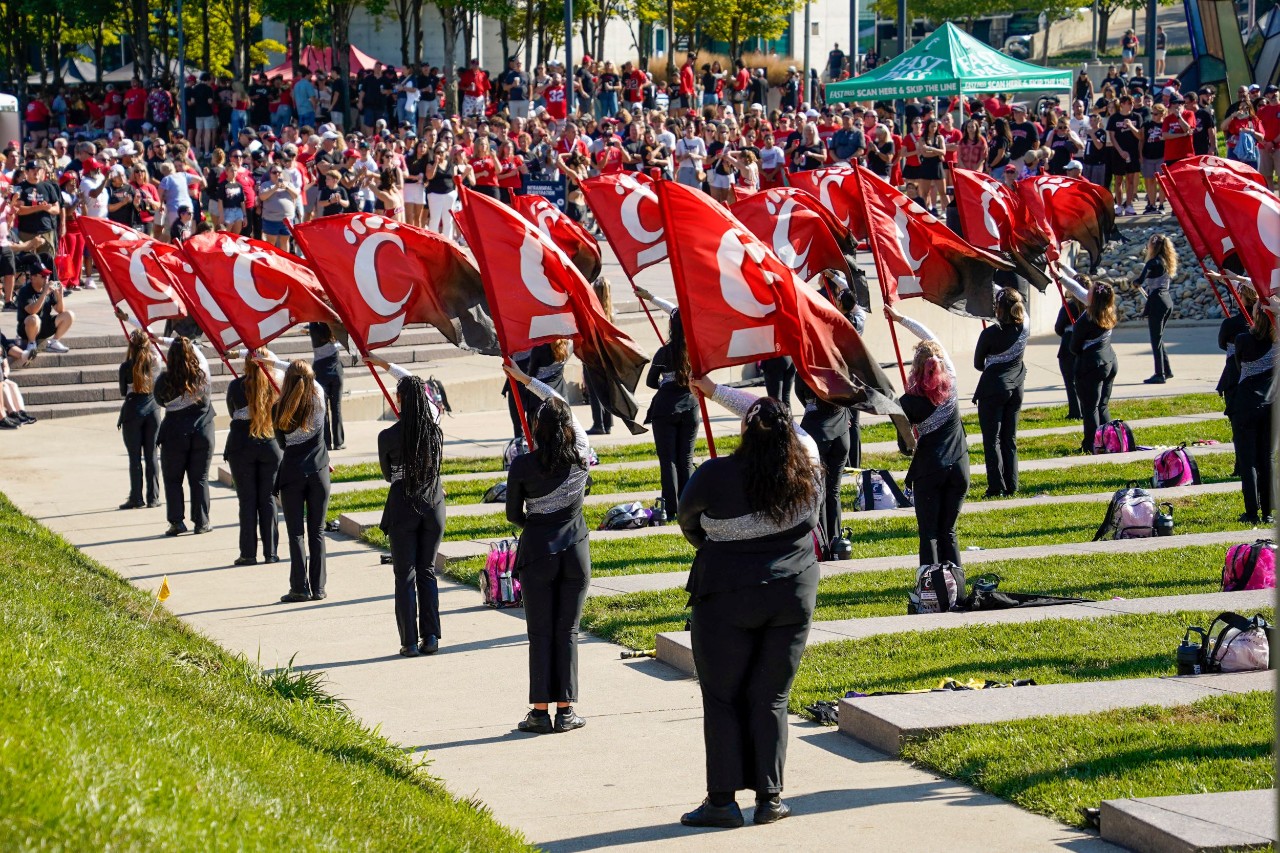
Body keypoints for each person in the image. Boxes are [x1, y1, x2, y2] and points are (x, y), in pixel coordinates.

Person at [677, 377, 821, 829]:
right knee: (771, 697)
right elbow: (783, 426)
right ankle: (770, 799)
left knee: (721, 697)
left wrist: (717, 542)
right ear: (790, 433)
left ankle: (721, 802)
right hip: (792, 592)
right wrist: (715, 388)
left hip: (725, 592)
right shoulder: (809, 466)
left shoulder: (714, 474)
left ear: (744, 430)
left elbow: (689, 522)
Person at [502, 359, 592, 736]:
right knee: (567, 631)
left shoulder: (521, 465)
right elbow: (561, 405)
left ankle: (539, 711)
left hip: (537, 551)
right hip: (575, 551)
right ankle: (566, 710)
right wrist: (529, 381)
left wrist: (537, 526)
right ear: (569, 428)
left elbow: (512, 514)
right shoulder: (582, 455)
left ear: (536, 430)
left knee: (539, 632)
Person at [366, 355, 446, 656]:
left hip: (403, 504)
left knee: (405, 575)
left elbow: (389, 475)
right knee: (427, 570)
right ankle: (432, 637)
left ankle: (409, 641)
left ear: (399, 400)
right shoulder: (435, 429)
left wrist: (381, 362)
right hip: (433, 503)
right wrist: (383, 363)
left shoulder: (387, 436)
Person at [885, 305, 968, 567]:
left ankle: (932, 588)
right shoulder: (952, 381)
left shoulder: (906, 402)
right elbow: (931, 335)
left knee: (929, 534)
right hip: (959, 468)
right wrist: (901, 318)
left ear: (916, 368)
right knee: (949, 532)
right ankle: (956, 584)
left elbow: (906, 447)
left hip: (930, 472)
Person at [261, 356, 331, 603]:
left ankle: (299, 588)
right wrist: (274, 362)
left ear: (287, 381)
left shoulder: (277, 409)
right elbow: (305, 376)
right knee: (317, 531)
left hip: (292, 473)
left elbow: (282, 444)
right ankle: (319, 588)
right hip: (319, 471)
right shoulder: (319, 399)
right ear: (311, 379)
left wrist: (267, 362)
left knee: (296, 534)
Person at [637, 288, 697, 516]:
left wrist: (666, 383)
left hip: (664, 409)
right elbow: (677, 312)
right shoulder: (695, 351)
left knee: (668, 460)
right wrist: (651, 297)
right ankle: (689, 506)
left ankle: (671, 509)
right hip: (690, 407)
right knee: (686, 459)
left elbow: (651, 381)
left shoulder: (663, 353)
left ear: (671, 327)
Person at [223, 349, 282, 566]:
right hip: (269, 444)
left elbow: (232, 412)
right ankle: (271, 552)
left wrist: (239, 354)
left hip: (241, 444)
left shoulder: (236, 386)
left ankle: (248, 553)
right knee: (268, 500)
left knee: (247, 501)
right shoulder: (274, 387)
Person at [155, 336, 215, 536]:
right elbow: (201, 356)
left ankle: (176, 522)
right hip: (202, 431)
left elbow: (160, 401)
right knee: (200, 479)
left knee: (173, 480)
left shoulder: (164, 379)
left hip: (174, 433)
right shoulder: (203, 374)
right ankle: (202, 522)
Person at [973, 288, 1028, 498]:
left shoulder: (989, 334)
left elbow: (978, 364)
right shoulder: (1024, 329)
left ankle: (996, 486)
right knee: (1009, 438)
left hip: (993, 389)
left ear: (999, 309)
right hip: (1016, 388)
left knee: (992, 440)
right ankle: (1012, 484)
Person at [1229, 301, 1276, 524]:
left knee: (1247, 461)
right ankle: (1268, 511)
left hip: (1246, 403)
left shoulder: (1242, 339)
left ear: (1256, 315)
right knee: (1266, 458)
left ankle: (1251, 512)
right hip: (1272, 404)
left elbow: (1238, 366)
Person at [1065, 276, 1119, 453]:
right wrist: (1060, 274)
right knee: (1102, 405)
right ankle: (1111, 440)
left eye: (1090, 290)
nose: (1086, 291)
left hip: (1091, 366)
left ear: (1093, 298)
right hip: (1109, 361)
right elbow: (1078, 291)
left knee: (1089, 409)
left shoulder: (1085, 320)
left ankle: (1092, 444)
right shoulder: (1108, 311)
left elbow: (1074, 347)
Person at [117, 330, 163, 510]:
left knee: (134, 457)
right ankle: (153, 497)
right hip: (152, 410)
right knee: (151, 455)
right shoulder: (156, 364)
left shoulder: (125, 367)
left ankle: (136, 497)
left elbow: (123, 392)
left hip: (132, 411)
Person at [1134, 233, 1176, 384]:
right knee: (1159, 338)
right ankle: (1167, 370)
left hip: (1157, 302)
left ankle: (1160, 374)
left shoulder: (1152, 262)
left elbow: (1139, 280)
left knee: (1155, 339)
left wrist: (1135, 282)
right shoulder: (1165, 261)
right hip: (1166, 300)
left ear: (1153, 245)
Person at [15, 265, 73, 357]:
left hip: (44, 325)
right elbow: (32, 311)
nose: (47, 278)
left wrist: (60, 296)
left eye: (48, 276)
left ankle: (54, 342)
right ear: (33, 277)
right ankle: (31, 344)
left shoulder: (48, 289)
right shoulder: (25, 291)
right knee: (34, 318)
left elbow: (60, 310)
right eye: (43, 276)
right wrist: (44, 293)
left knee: (69, 315)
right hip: (28, 329)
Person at [1055, 295, 1084, 420]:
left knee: (1070, 381)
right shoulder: (1093, 305)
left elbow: (1058, 327)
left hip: (1069, 343)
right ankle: (1086, 409)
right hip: (1086, 343)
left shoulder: (1069, 305)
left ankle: (1075, 410)